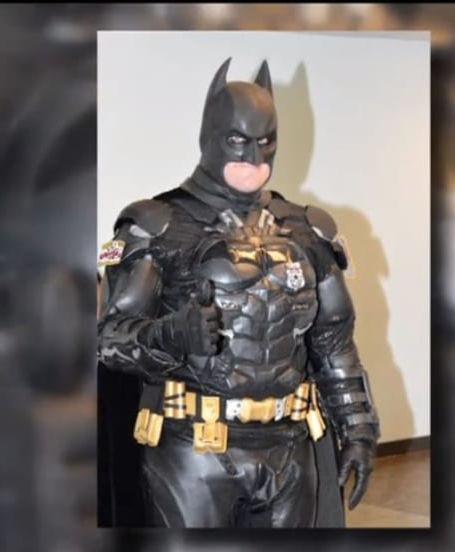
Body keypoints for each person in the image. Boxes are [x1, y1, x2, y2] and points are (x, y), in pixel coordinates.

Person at [97, 57, 380, 528]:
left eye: (265, 141)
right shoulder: (156, 225)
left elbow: (333, 342)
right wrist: (172, 335)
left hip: (290, 450)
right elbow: (109, 341)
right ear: (209, 136)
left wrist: (359, 428)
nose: (253, 157)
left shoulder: (308, 229)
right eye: (237, 141)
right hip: (194, 453)